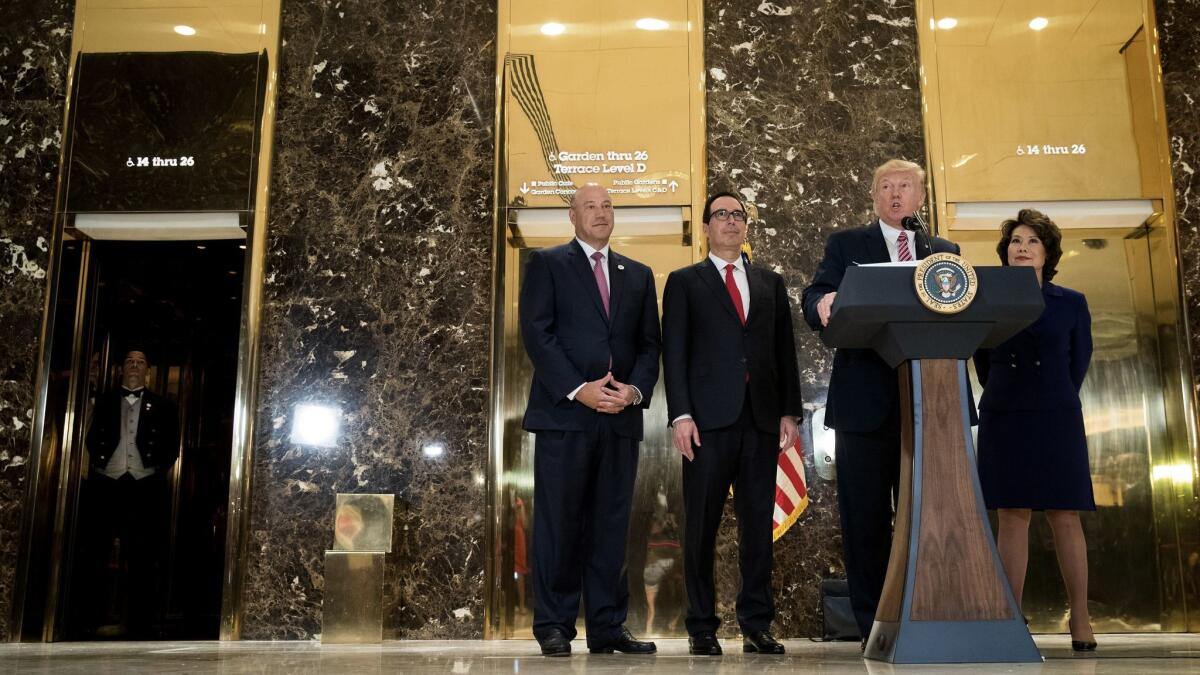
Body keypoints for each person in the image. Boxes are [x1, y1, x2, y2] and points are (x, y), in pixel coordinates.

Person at [800, 159, 960, 644]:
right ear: (873, 197)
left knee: (932, 518)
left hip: (931, 404)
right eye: (886, 187)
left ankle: (931, 617)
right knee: (865, 521)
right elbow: (815, 293)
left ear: (921, 196)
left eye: (905, 186)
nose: (895, 194)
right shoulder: (847, 245)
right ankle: (874, 626)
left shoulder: (944, 252)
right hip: (864, 404)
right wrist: (823, 302)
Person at [519, 184, 662, 657]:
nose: (600, 214)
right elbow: (538, 334)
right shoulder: (548, 264)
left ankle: (607, 627)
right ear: (572, 215)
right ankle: (555, 625)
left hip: (619, 419)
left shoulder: (638, 274)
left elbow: (648, 345)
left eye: (607, 206)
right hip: (565, 417)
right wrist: (580, 390)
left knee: (610, 525)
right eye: (590, 207)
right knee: (560, 523)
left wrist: (634, 392)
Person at [662, 191, 802, 656]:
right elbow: (674, 353)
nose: (730, 221)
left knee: (757, 526)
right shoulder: (685, 282)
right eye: (720, 215)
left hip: (761, 420)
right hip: (706, 422)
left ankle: (756, 624)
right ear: (705, 227)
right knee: (700, 525)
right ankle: (701, 626)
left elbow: (785, 351)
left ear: (746, 226)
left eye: (737, 215)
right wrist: (679, 414)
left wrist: (789, 411)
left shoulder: (770, 283)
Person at [972, 209, 1097, 651]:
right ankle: (1010, 616)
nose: (1022, 248)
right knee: (1012, 515)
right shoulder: (988, 297)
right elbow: (983, 362)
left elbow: (1077, 360)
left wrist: (1051, 393)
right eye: (1015, 242)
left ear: (1048, 253)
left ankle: (1080, 618)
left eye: (1032, 242)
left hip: (1056, 414)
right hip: (1006, 413)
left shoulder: (1071, 302)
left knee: (1066, 515)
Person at [84, 348, 180, 638]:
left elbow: (171, 446)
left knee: (141, 558)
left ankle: (140, 625)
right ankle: (88, 620)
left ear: (147, 371)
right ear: (121, 369)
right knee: (95, 554)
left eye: (140, 362)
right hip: (107, 484)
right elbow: (90, 437)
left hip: (144, 488)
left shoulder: (164, 406)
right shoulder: (103, 402)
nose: (134, 365)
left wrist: (152, 469)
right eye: (129, 361)